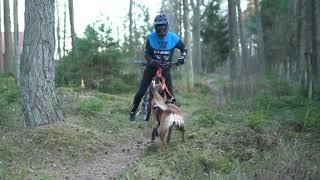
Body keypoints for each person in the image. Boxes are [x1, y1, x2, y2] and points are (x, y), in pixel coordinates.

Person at [129, 14, 188, 122]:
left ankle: (173, 117)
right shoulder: (150, 38)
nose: (161, 28)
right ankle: (132, 112)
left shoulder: (173, 38)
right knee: (141, 91)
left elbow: (184, 49)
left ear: (167, 26)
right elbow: (146, 54)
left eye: (163, 26)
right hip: (151, 69)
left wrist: (181, 58)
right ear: (155, 27)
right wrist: (151, 61)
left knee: (170, 96)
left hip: (165, 70)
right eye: (158, 26)